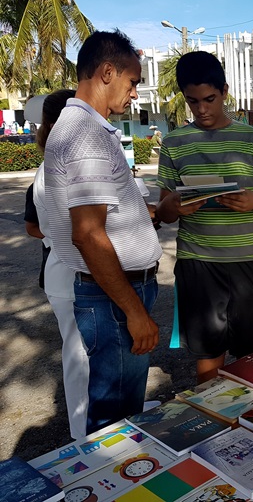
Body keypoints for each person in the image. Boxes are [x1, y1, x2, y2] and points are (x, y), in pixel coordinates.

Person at [44, 30, 162, 434]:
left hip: (117, 290)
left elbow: (99, 217)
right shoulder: (86, 136)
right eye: (133, 82)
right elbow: (89, 234)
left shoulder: (88, 130)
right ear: (108, 72)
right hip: (115, 295)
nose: (134, 94)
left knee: (125, 408)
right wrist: (134, 311)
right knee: (114, 415)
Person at [155, 51, 253, 384]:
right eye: (193, 101)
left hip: (246, 261)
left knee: (250, 354)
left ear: (224, 91)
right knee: (208, 353)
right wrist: (174, 205)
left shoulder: (252, 139)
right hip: (197, 262)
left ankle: (252, 421)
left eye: (210, 99)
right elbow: (163, 212)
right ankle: (213, 422)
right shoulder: (174, 142)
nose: (202, 109)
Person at [26, 90, 91, 439]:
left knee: (88, 351)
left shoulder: (55, 164)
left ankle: (103, 422)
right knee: (79, 355)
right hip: (71, 268)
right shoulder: (57, 168)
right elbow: (82, 230)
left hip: (66, 265)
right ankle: (83, 433)